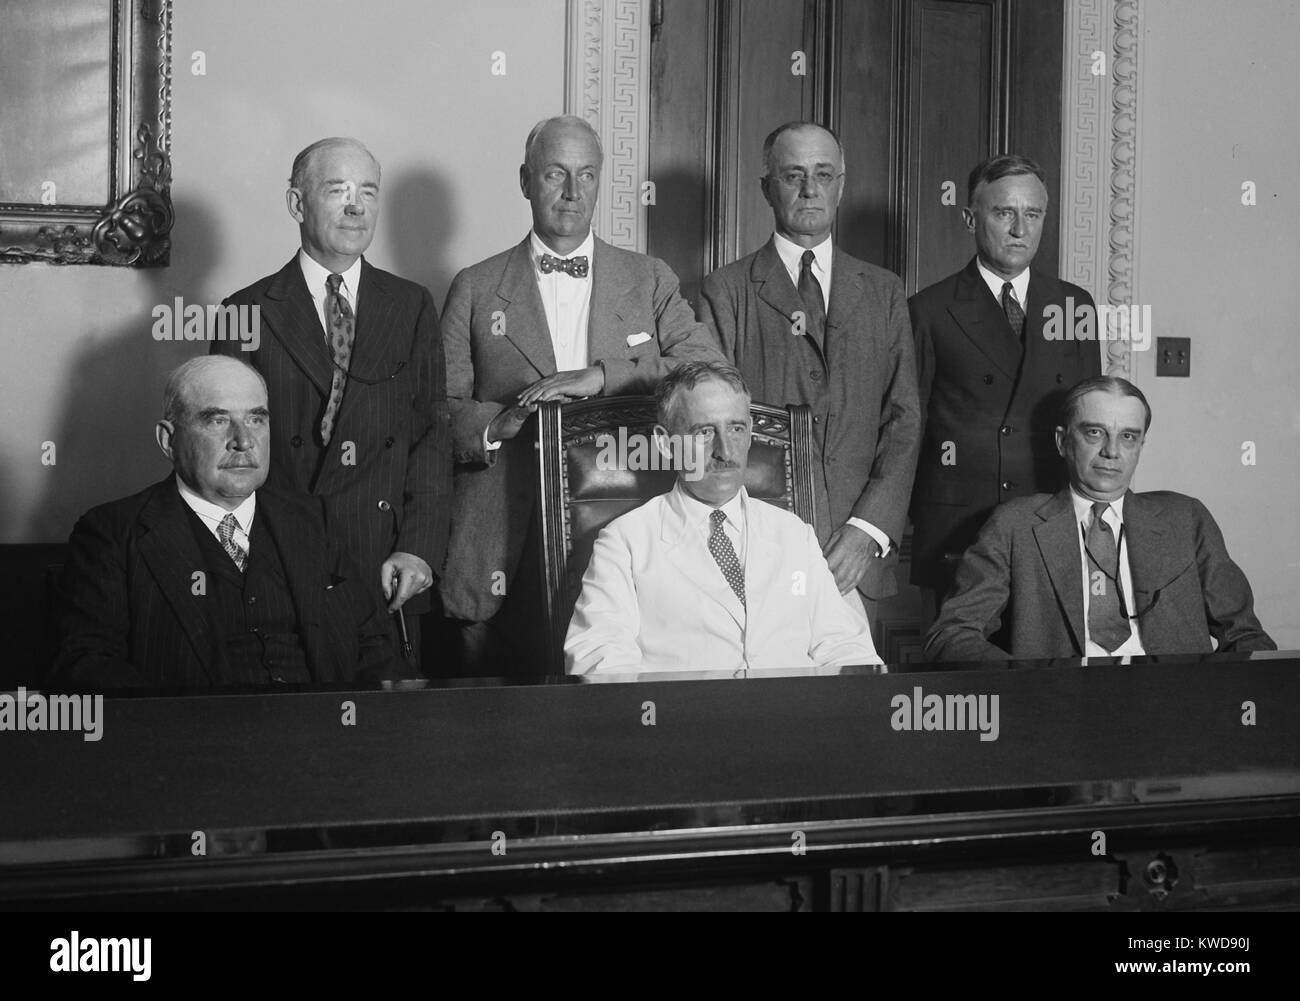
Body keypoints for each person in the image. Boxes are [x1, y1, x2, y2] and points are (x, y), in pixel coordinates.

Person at [439, 115, 723, 673]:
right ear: (525, 181)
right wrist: (499, 424)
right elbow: (436, 413)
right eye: (555, 175)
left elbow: (710, 369)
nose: (572, 193)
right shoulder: (474, 287)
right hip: (502, 546)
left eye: (587, 175)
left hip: (628, 533)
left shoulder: (649, 278)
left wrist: (603, 376)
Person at [215, 137, 450, 665]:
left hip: (387, 567)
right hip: (282, 572)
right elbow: (229, 456)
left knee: (392, 739)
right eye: (337, 190)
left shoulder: (411, 306)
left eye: (368, 192)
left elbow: (432, 436)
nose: (356, 206)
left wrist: (419, 548)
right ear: (297, 204)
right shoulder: (245, 310)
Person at [51, 357, 403, 688]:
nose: (243, 441)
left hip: (324, 736)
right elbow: (86, 666)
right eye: (217, 420)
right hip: (194, 742)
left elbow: (374, 648)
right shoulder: (112, 533)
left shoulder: (312, 520)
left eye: (256, 419)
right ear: (168, 440)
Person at [699, 122, 920, 634]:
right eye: (793, 174)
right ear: (767, 188)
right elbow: (712, 428)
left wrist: (866, 530)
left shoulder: (884, 292)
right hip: (758, 548)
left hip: (859, 559)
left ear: (841, 186)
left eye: (823, 174)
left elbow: (904, 420)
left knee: (858, 704)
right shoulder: (725, 291)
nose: (809, 189)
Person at [925, 376, 1276, 661]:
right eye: (1095, 432)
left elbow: (1244, 635)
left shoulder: (1186, 520)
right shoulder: (1015, 525)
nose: (1111, 452)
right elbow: (952, 634)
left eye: (1128, 437)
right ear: (1063, 442)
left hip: (1174, 708)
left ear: (1140, 446)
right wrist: (1024, 685)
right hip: (1057, 708)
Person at [565, 361, 881, 675]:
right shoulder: (625, 541)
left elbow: (846, 648)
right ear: (664, 443)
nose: (725, 451)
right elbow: (600, 661)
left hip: (793, 717)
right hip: (684, 720)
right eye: (704, 432)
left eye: (736, 428)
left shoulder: (795, 534)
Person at [909, 154, 1100, 620]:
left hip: (1050, 525)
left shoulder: (1074, 305)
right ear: (970, 218)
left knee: (1047, 677)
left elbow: (1092, 423)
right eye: (1004, 213)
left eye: (1032, 214)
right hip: (961, 530)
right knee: (966, 673)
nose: (1020, 229)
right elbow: (906, 429)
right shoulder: (929, 309)